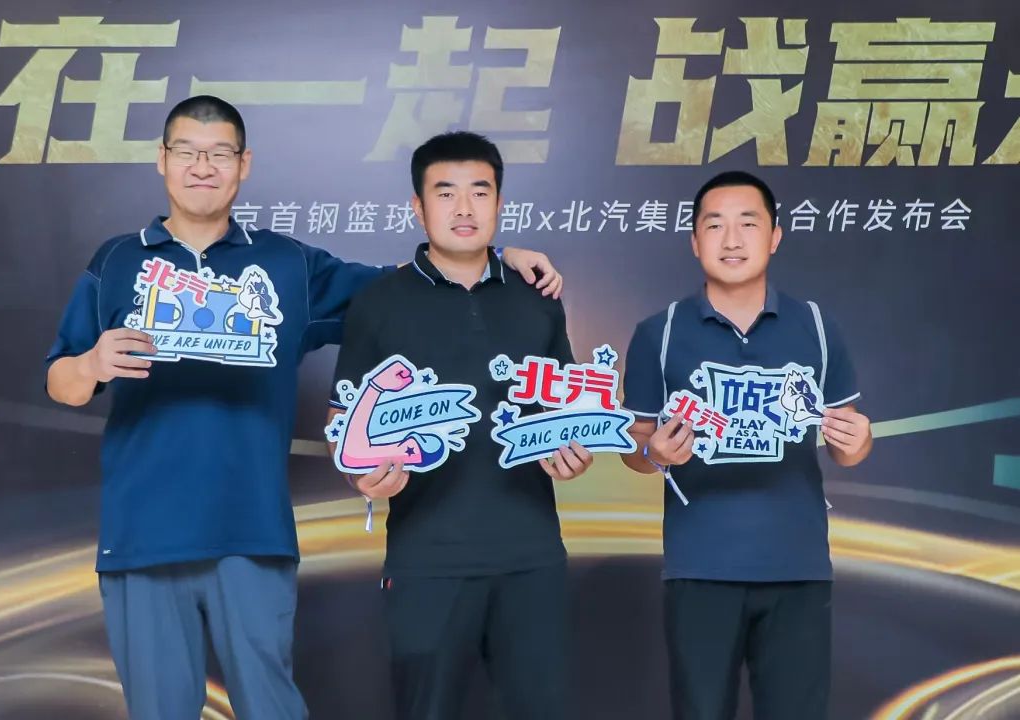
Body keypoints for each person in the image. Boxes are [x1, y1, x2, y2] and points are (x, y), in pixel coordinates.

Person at [44, 95, 564, 720]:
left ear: (244, 164)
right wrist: (91, 364)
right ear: (162, 159)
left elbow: (411, 284)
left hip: (252, 531)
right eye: (187, 151)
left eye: (220, 153)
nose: (203, 166)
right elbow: (61, 382)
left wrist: (498, 258)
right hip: (142, 531)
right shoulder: (117, 262)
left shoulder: (288, 265)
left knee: (271, 707)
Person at [328, 131, 593, 720]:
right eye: (445, 193)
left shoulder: (537, 297)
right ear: (418, 207)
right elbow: (343, 419)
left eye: (480, 191)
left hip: (531, 554)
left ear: (500, 202)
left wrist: (574, 451)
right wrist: (361, 476)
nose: (464, 207)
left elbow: (567, 406)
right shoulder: (380, 302)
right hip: (427, 558)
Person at [620, 170, 873, 720]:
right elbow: (634, 448)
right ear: (695, 240)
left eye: (748, 224)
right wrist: (654, 455)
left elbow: (848, 445)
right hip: (699, 566)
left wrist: (858, 440)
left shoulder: (817, 327)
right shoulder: (658, 333)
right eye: (715, 225)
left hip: (798, 567)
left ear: (774, 236)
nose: (731, 239)